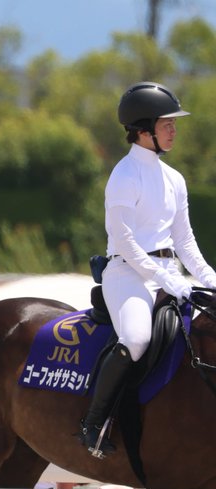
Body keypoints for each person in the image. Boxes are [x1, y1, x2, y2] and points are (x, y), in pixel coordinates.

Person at [81, 80, 216, 456]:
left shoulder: (175, 179)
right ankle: (94, 422)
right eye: (166, 124)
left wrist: (210, 279)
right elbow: (123, 240)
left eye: (174, 124)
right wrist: (163, 278)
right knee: (137, 338)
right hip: (127, 274)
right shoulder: (124, 176)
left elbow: (185, 242)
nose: (174, 129)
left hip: (170, 275)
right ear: (143, 130)